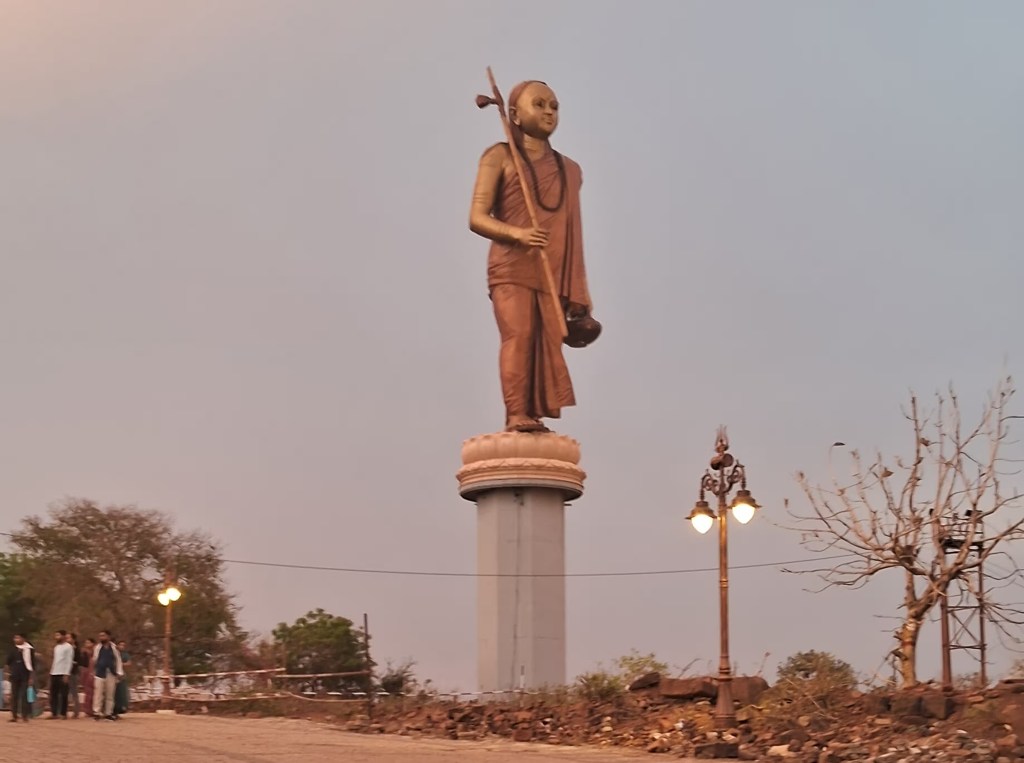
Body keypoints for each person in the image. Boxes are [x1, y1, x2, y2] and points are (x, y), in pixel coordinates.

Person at [469, 79, 596, 433]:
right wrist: (517, 234)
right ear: (514, 114)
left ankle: (534, 414)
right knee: (520, 336)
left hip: (552, 268)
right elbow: (477, 218)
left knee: (544, 343)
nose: (548, 112)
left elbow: (573, 233)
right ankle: (516, 415)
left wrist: (580, 292)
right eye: (538, 104)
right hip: (512, 266)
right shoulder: (499, 156)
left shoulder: (569, 170)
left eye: (554, 106)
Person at [91, 630, 123, 720]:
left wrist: (119, 672)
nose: (101, 638)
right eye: (100, 636)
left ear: (108, 637)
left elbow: (118, 660)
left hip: (111, 673)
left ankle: (108, 712)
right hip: (100, 673)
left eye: (103, 636)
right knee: (98, 693)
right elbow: (95, 659)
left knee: (110, 694)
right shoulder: (97, 648)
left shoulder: (114, 648)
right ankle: (96, 712)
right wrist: (93, 670)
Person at [5, 634, 34, 722]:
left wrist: (31, 677)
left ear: (23, 639)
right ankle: (14, 716)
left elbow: (32, 664)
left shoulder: (29, 650)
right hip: (14, 675)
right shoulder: (13, 650)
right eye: (15, 638)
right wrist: (7, 673)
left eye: (18, 638)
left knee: (24, 695)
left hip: (25, 675)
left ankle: (25, 715)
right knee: (14, 696)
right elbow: (7, 662)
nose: (16, 639)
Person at [48, 629, 74, 719]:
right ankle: (54, 713)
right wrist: (51, 671)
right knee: (53, 694)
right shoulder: (56, 647)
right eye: (56, 636)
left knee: (63, 694)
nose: (56, 637)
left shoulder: (68, 647)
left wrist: (67, 674)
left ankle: (63, 713)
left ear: (63, 636)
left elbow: (69, 661)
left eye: (58, 635)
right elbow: (55, 661)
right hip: (54, 672)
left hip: (63, 673)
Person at [114, 639, 131, 715]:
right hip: (114, 674)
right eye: (120, 645)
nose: (122, 646)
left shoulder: (125, 654)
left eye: (123, 645)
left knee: (122, 691)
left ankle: (122, 707)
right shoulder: (115, 653)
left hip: (122, 675)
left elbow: (129, 663)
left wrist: (121, 664)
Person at [79, 637, 96, 717]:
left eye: (89, 643)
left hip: (93, 672)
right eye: (86, 643)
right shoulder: (84, 652)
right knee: (87, 692)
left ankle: (93, 709)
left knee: (93, 692)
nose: (87, 644)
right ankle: (87, 710)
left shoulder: (95, 652)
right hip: (86, 672)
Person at [67, 633, 82, 718]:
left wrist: (71, 662)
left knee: (74, 692)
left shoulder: (76, 649)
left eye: (69, 638)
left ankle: (76, 711)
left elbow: (78, 661)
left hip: (73, 672)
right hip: (66, 672)